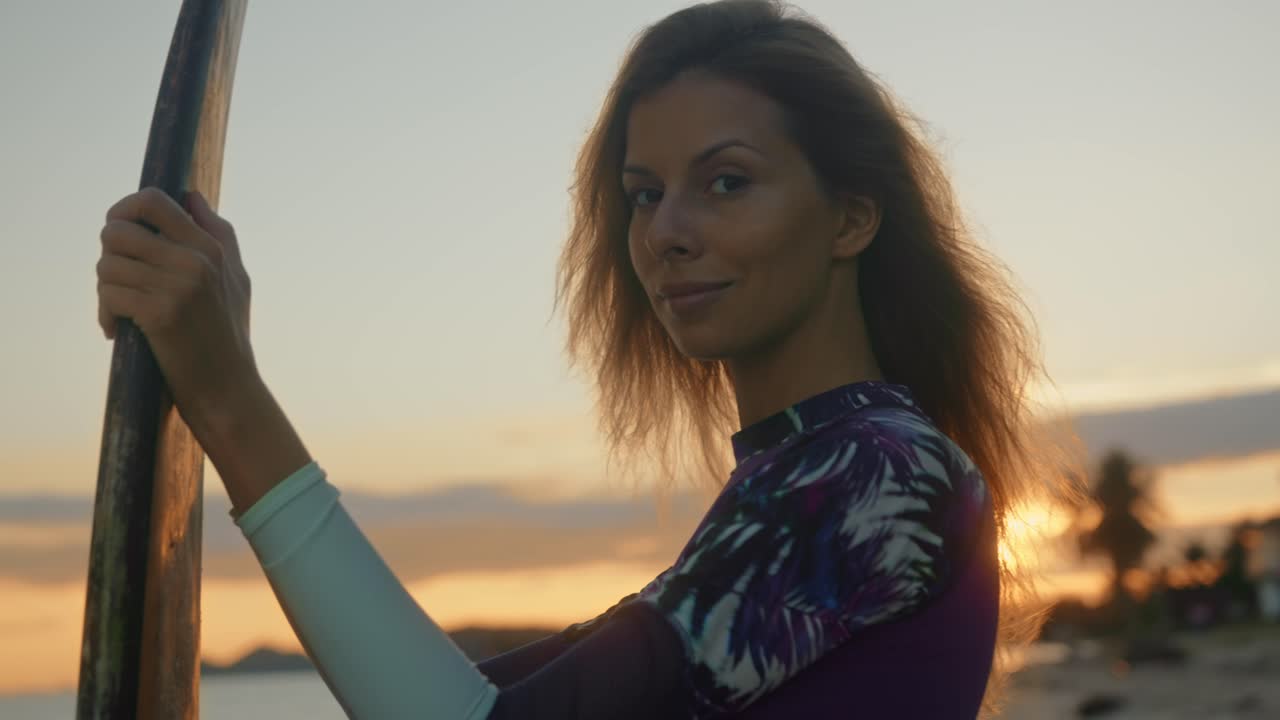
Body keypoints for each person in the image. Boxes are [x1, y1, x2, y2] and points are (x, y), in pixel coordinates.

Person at [94, 1, 1071, 717]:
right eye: (643, 194)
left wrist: (229, 400)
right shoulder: (798, 480)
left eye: (725, 182)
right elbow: (466, 695)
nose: (666, 232)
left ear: (850, 218)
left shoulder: (869, 476)